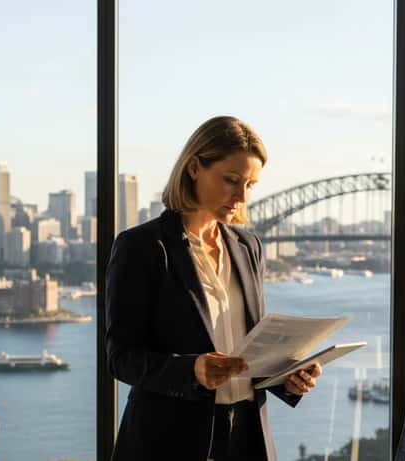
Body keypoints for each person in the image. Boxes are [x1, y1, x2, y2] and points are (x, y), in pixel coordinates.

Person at [105, 116, 322, 461]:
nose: (241, 196)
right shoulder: (142, 247)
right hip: (167, 440)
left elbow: (249, 349)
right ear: (194, 168)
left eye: (250, 184)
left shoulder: (247, 246)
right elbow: (120, 359)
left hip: (248, 437)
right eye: (231, 180)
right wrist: (190, 370)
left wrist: (286, 377)